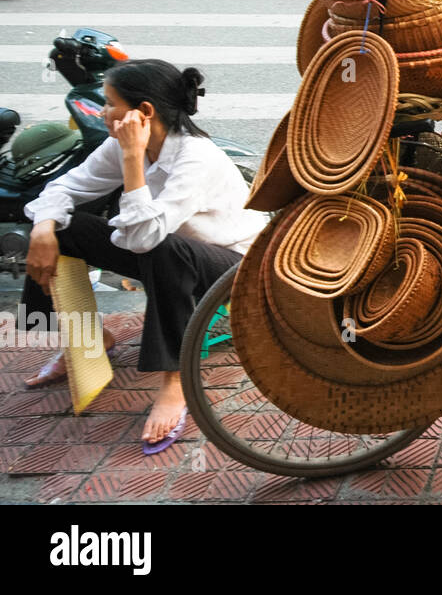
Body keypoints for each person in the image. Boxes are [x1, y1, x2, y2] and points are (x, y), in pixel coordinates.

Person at [20, 60, 267, 451]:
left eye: (109, 103)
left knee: (161, 246)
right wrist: (43, 228)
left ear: (143, 112)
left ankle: (176, 379)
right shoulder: (118, 144)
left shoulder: (195, 159)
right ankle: (88, 340)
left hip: (233, 268)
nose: (103, 113)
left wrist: (133, 160)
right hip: (165, 251)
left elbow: (146, 237)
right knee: (67, 229)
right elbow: (66, 187)